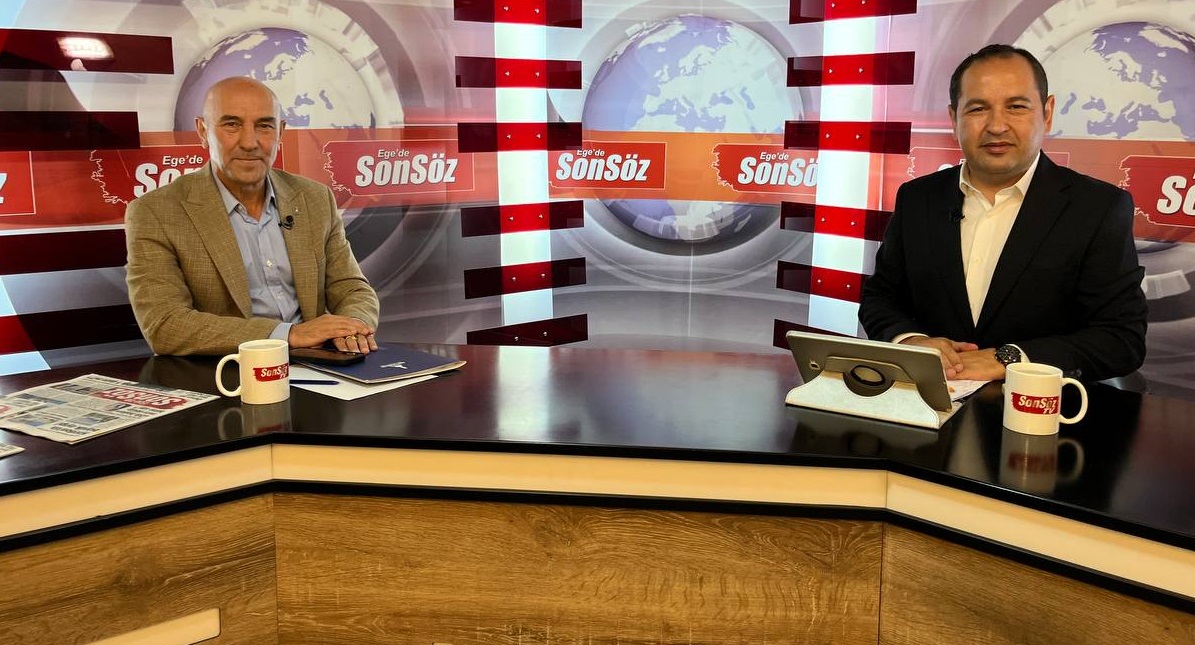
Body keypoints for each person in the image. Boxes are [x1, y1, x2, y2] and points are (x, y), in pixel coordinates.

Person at [860, 44, 1146, 383]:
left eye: (1016, 107)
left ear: (1047, 113)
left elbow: (1121, 339)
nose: (996, 126)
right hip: (926, 402)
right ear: (954, 119)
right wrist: (910, 341)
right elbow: (880, 297)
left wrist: (1009, 359)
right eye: (978, 108)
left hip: (1039, 409)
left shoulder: (1098, 207)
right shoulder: (917, 198)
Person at [125, 76, 379, 356]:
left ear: (280, 132)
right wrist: (289, 335)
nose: (249, 142)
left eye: (264, 126)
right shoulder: (156, 212)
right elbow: (165, 325)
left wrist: (351, 329)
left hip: (318, 365)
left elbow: (351, 288)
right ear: (202, 131)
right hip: (226, 371)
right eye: (232, 125)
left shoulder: (315, 199)